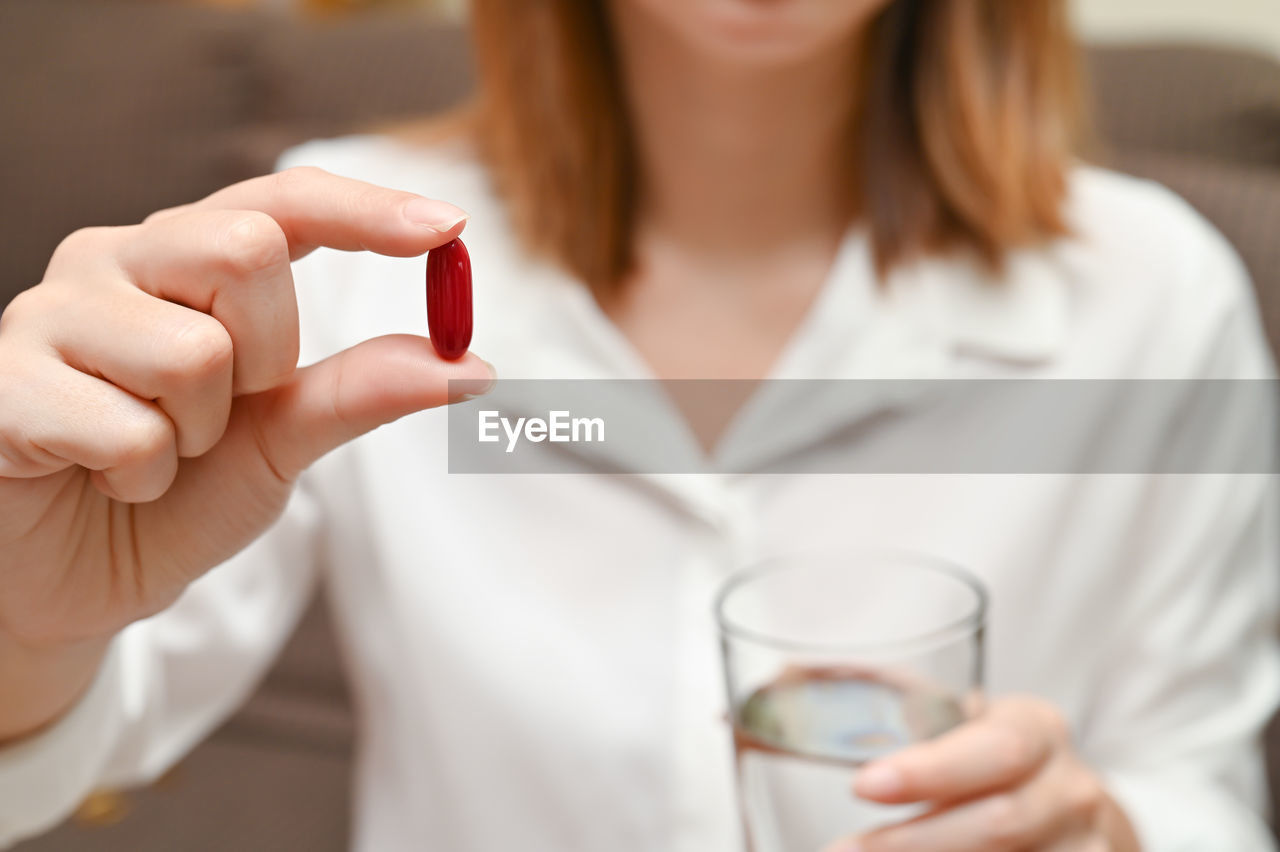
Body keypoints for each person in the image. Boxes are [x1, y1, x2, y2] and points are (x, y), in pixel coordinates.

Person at [0, 0, 1276, 849]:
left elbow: (1203, 784)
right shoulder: (334, 258)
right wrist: (29, 617)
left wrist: (1103, 828)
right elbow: (76, 738)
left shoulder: (1155, 295)